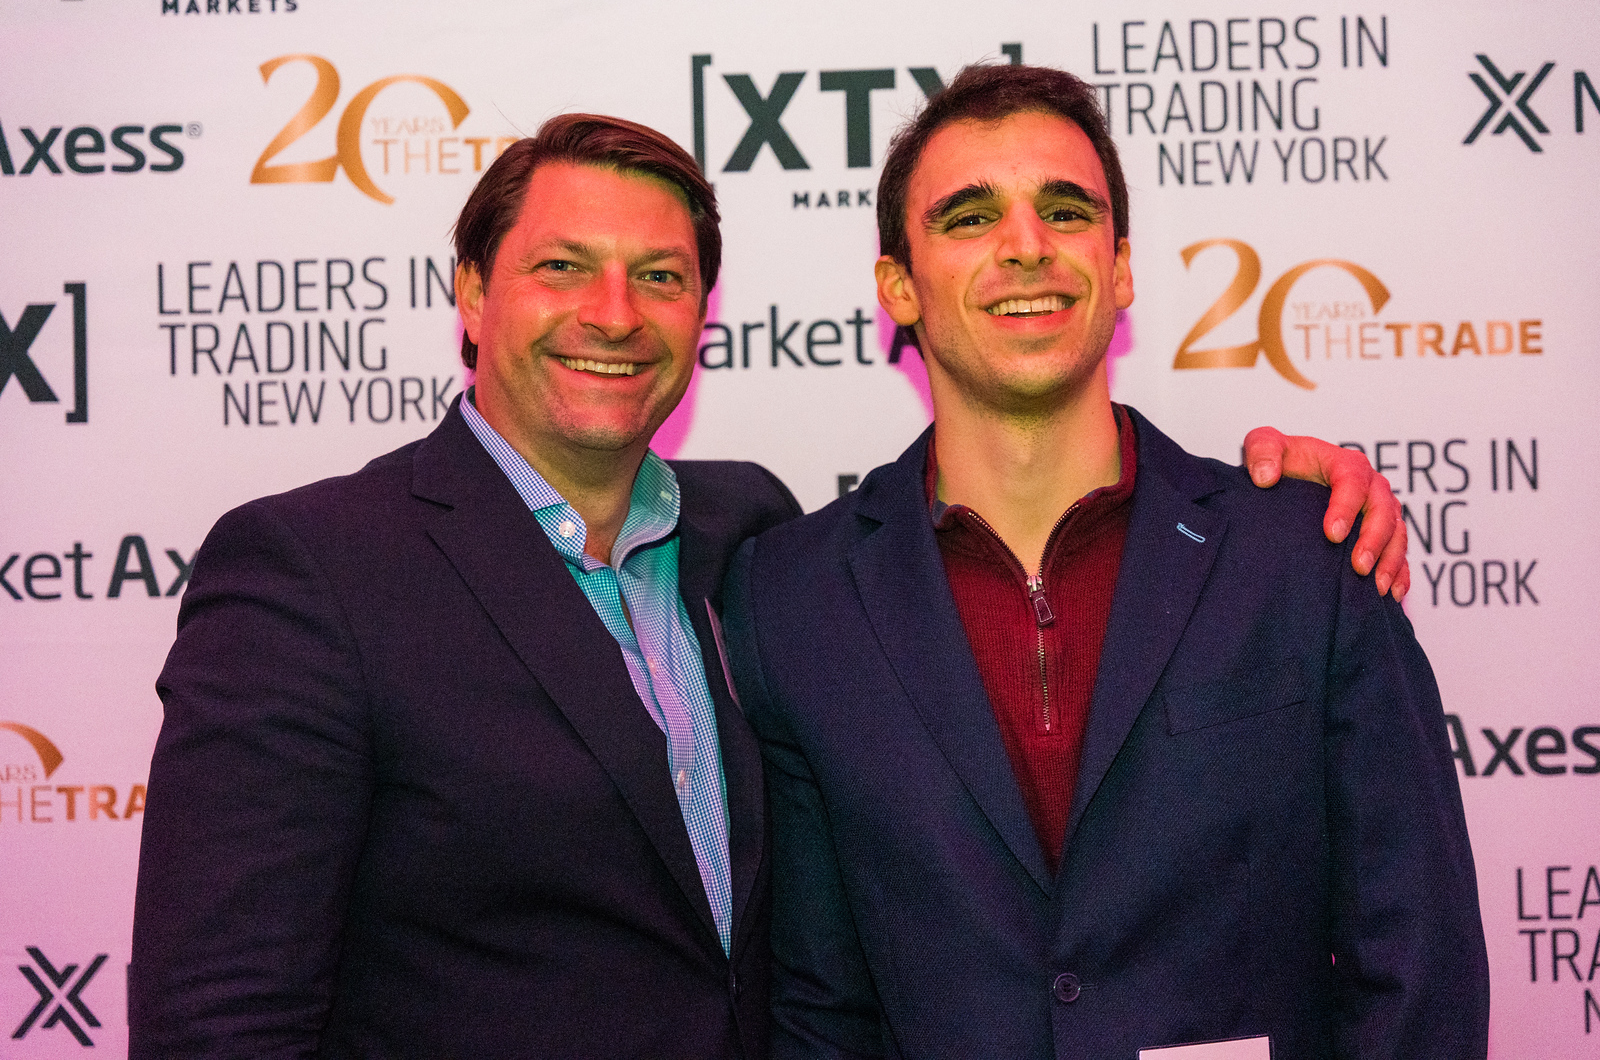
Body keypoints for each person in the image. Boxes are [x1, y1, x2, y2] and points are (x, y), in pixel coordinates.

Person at [129, 112, 1411, 1058]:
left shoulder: (753, 541)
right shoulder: (314, 570)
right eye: (562, 266)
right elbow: (220, 1017)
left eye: (661, 276)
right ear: (470, 293)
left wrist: (1290, 490)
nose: (614, 311)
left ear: (703, 314)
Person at [723, 65, 1488, 1060]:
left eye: (1065, 210)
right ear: (898, 287)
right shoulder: (794, 598)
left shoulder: (1304, 557)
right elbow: (819, 1010)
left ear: (1120, 267)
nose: (1026, 245)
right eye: (970, 218)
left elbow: (1418, 969)